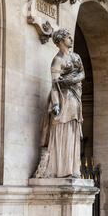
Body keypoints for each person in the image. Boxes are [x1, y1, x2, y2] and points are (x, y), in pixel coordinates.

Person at [35, 28, 85, 178]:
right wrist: (55, 104)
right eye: (68, 37)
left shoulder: (76, 57)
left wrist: (72, 80)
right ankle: (61, 167)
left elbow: (82, 73)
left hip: (75, 96)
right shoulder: (57, 60)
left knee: (73, 129)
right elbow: (54, 84)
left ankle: (72, 167)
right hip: (64, 98)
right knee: (61, 127)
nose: (71, 39)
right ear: (61, 40)